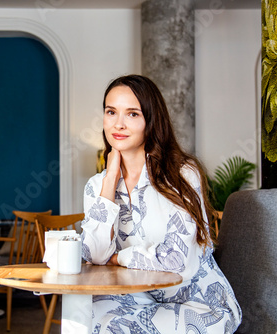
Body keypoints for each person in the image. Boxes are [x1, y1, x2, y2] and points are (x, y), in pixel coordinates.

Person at [81, 74, 242, 334]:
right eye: (111, 112)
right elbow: (95, 255)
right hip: (136, 299)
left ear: (150, 120)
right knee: (88, 316)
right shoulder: (96, 186)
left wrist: (120, 258)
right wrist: (110, 180)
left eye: (132, 114)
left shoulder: (182, 175)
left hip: (195, 301)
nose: (118, 124)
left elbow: (177, 261)